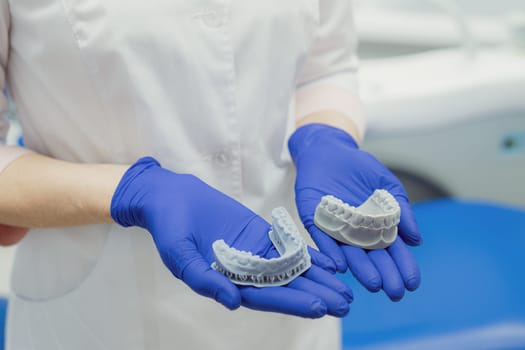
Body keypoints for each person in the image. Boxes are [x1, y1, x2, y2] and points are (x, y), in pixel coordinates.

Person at [0, 1, 421, 349]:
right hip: (101, 316)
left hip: (293, 305)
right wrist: (131, 191)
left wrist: (327, 133)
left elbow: (327, 64)